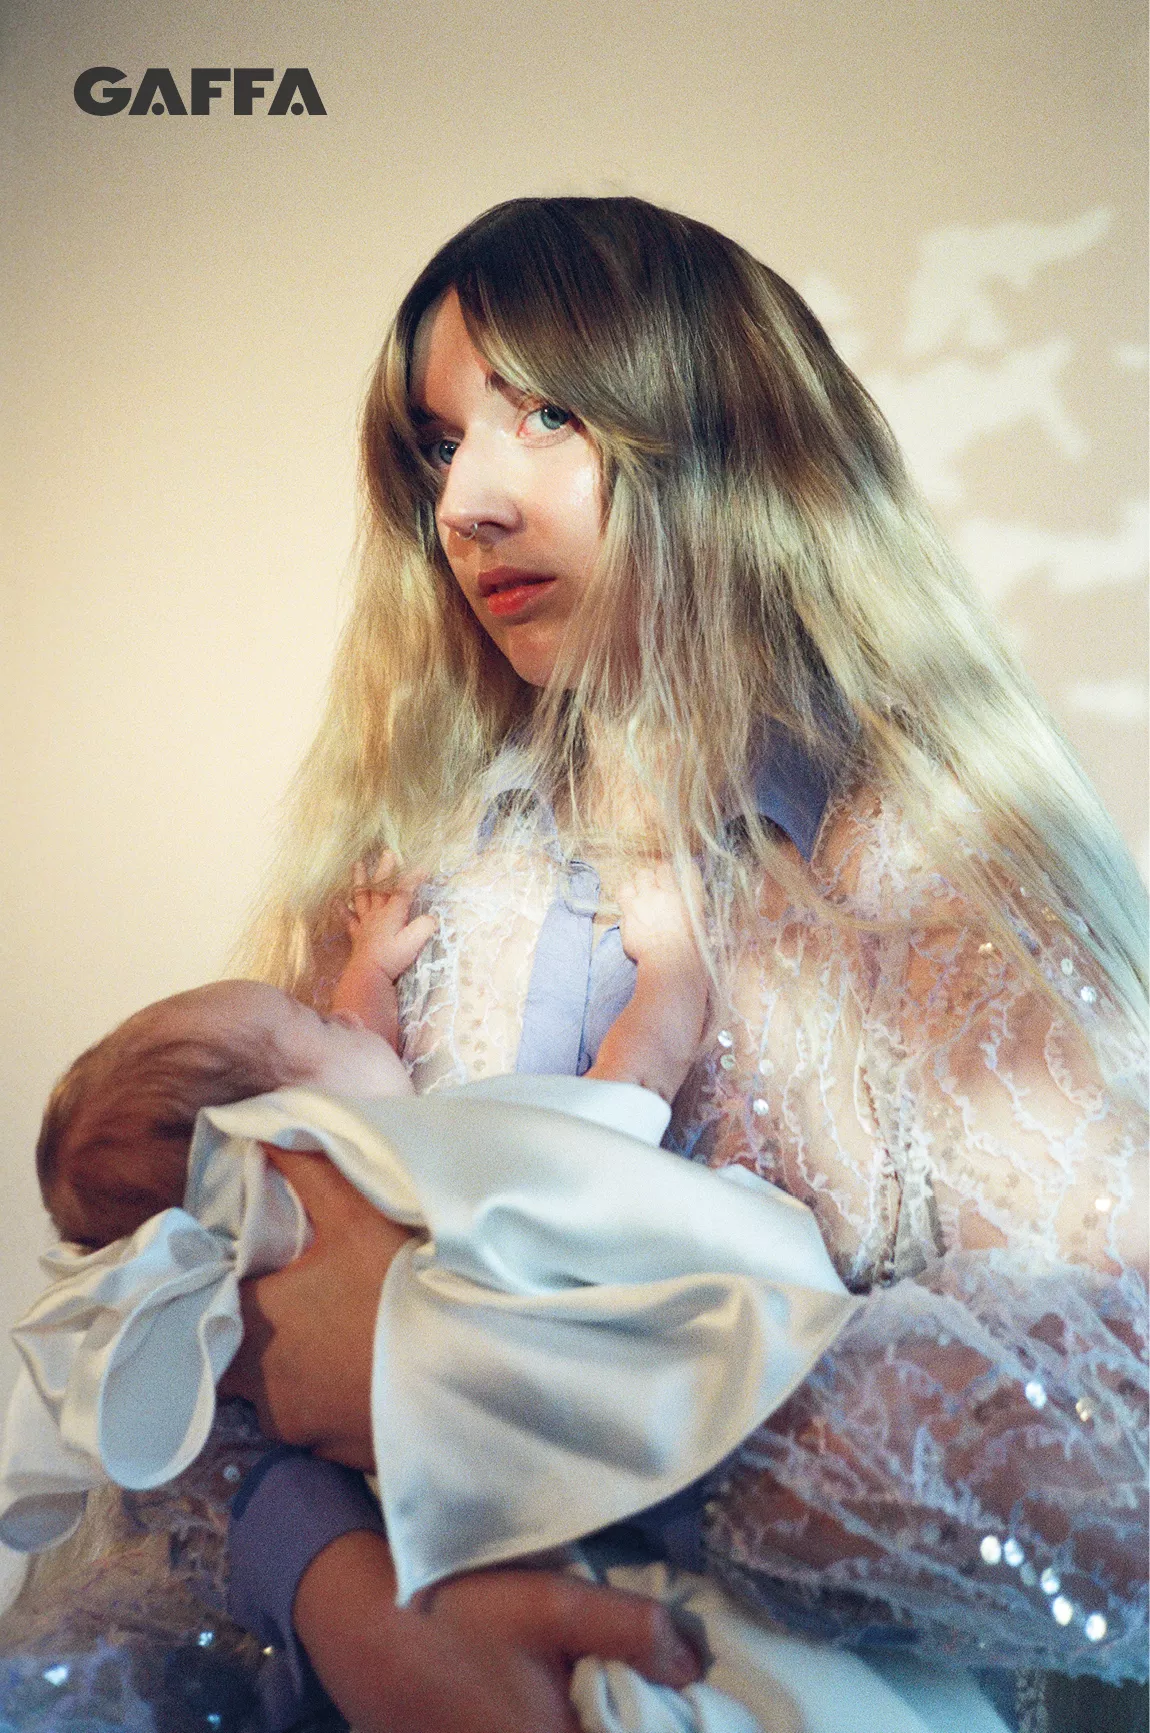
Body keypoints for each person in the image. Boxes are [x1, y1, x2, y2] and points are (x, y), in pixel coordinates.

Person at [4, 194, 1147, 1733]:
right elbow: (178, 1338)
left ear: (730, 435)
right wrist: (336, 1591)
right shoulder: (399, 880)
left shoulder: (924, 872)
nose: (465, 504)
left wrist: (486, 1381)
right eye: (435, 446)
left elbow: (1117, 1466)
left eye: (545, 413)